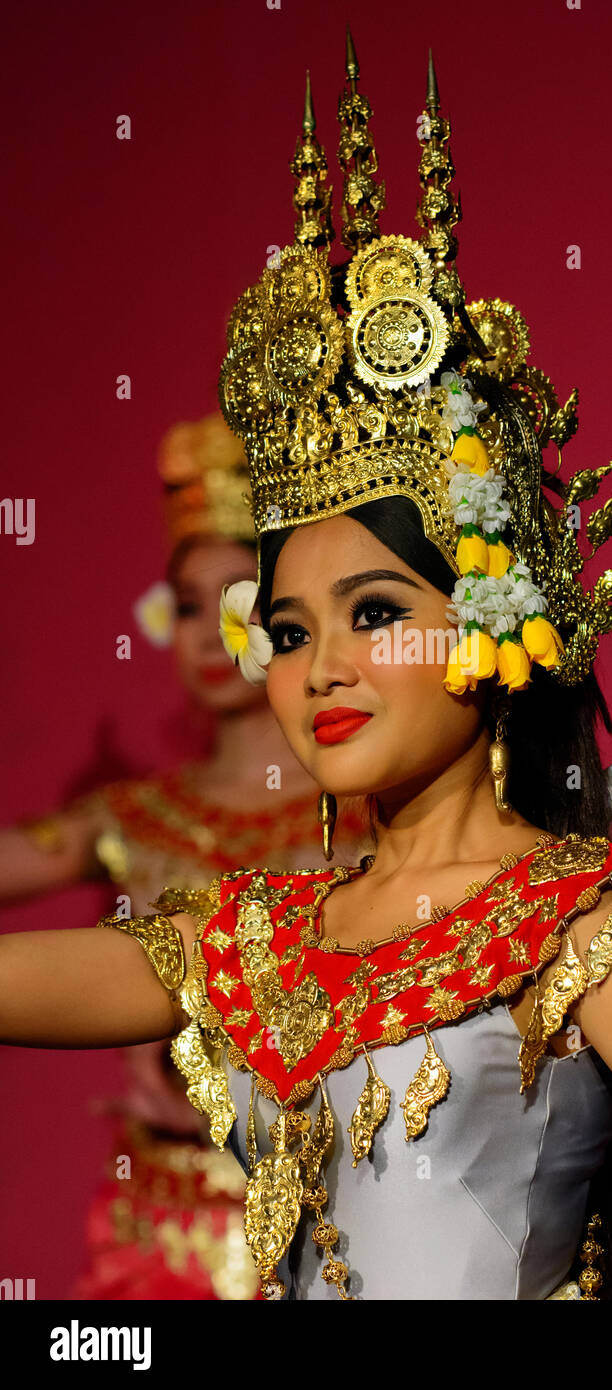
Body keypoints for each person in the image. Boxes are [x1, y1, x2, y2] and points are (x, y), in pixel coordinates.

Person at [0, 37, 612, 1301]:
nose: (321, 669)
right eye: (286, 633)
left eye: (375, 612)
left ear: (493, 624)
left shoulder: (573, 922)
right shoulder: (257, 939)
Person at [0, 413, 367, 1300]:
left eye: (238, 602)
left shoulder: (366, 821)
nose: (208, 633)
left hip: (324, 1217)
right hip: (153, 1223)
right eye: (187, 605)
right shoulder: (135, 816)